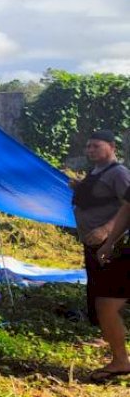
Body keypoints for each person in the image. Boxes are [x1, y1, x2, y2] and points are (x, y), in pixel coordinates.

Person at [71, 130, 130, 382]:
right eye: (88, 146)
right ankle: (112, 343)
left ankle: (120, 360)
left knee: (107, 301)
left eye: (96, 146)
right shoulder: (96, 173)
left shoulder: (119, 173)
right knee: (101, 297)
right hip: (97, 245)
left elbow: (126, 206)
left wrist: (107, 233)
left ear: (112, 146)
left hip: (116, 246)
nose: (90, 150)